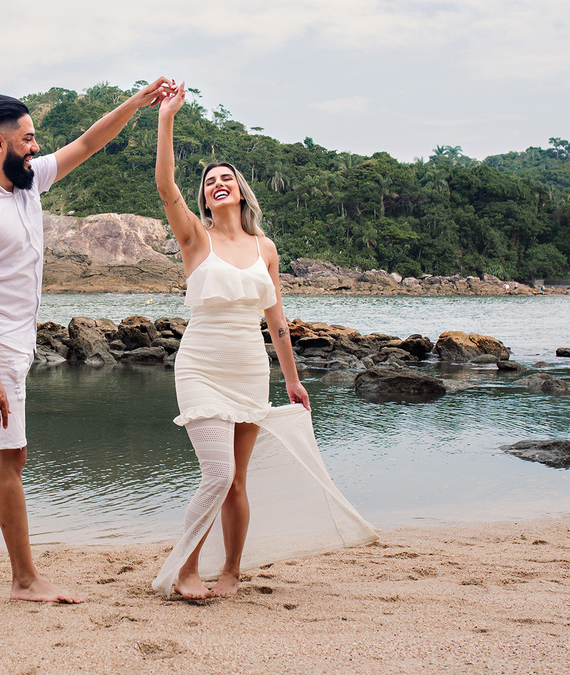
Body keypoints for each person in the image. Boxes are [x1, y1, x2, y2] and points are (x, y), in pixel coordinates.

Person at [0, 80, 174, 603]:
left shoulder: (27, 183)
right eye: (27, 138)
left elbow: (88, 144)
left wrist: (136, 105)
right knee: (11, 458)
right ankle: (25, 579)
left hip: (13, 343)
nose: (35, 145)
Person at [151, 83, 379, 599]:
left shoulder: (264, 247)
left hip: (250, 368)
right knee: (217, 472)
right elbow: (166, 185)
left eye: (226, 178)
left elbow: (276, 321)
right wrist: (167, 119)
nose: (217, 184)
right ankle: (186, 570)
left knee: (236, 482)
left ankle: (231, 570)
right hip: (201, 365)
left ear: (241, 189)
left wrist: (293, 381)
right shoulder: (194, 236)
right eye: (210, 181)